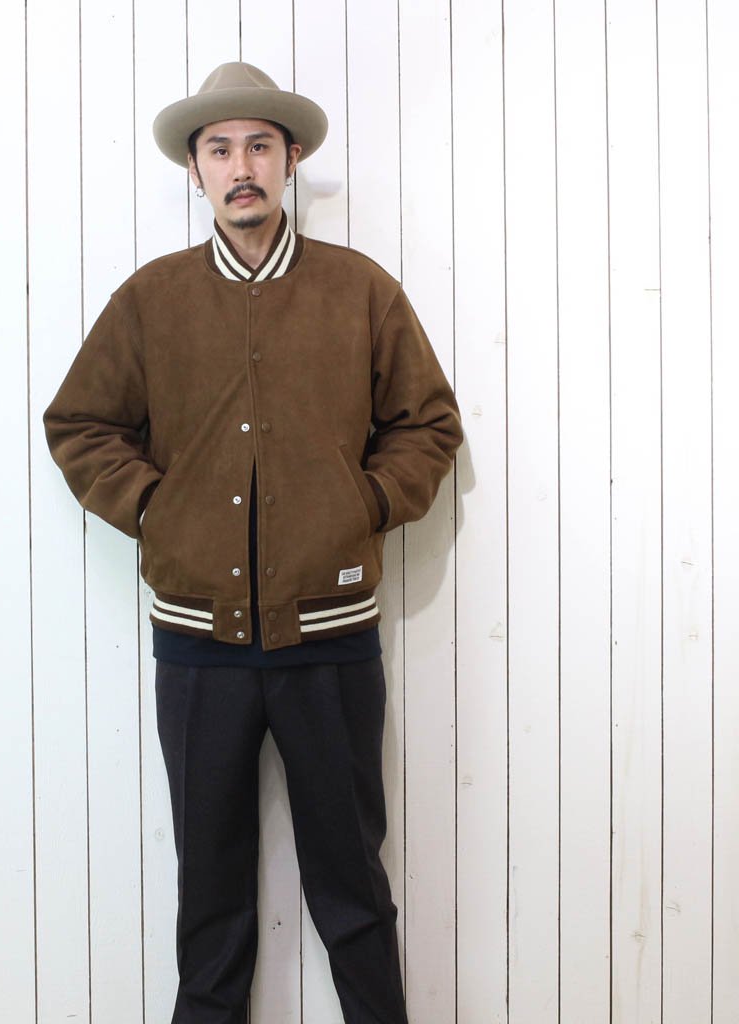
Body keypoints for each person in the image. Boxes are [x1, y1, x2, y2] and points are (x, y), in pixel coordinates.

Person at [43, 61, 462, 1024]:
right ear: (195, 170)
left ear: (291, 159)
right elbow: (80, 425)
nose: (242, 168)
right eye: (221, 149)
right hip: (199, 646)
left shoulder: (360, 291)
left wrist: (361, 502)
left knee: (352, 889)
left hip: (332, 638)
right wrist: (159, 508)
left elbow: (428, 426)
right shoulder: (150, 300)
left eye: (260, 147)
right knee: (212, 896)